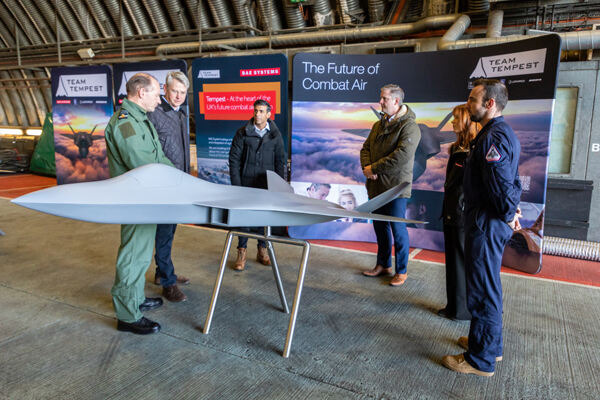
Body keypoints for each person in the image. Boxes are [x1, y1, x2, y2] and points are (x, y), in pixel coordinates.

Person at [442, 79, 522, 377]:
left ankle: (480, 360)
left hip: (486, 223)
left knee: (483, 291)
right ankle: (488, 344)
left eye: (474, 99)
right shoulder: (499, 133)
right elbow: (513, 180)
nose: (469, 103)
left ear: (490, 104)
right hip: (491, 220)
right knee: (488, 287)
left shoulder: (492, 138)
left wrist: (506, 212)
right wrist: (511, 210)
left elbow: (501, 187)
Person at [104, 73, 174, 335]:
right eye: (156, 94)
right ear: (141, 93)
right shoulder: (126, 124)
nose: (160, 99)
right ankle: (127, 315)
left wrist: (178, 177)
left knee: (143, 253)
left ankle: (135, 299)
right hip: (135, 200)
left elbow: (158, 157)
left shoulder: (140, 119)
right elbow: (143, 164)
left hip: (147, 199)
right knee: (133, 256)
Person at [360, 84, 420, 286]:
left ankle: (401, 270)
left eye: (384, 98)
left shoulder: (410, 127)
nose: (380, 102)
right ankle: (383, 264)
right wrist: (368, 167)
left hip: (396, 188)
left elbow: (401, 157)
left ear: (396, 101)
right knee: (380, 226)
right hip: (376, 185)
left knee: (397, 227)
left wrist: (374, 169)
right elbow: (365, 148)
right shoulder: (379, 125)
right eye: (381, 98)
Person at [147, 71, 191, 303]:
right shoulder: (155, 113)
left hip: (179, 182)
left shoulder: (181, 113)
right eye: (175, 91)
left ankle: (160, 273)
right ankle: (167, 282)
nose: (178, 96)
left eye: (183, 93)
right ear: (165, 89)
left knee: (170, 231)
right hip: (163, 183)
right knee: (163, 233)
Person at [229, 99, 286, 271]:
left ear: (269, 114)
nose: (257, 114)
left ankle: (262, 250)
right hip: (245, 183)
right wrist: (237, 186)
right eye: (256, 111)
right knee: (244, 218)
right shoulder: (242, 133)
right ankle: (242, 251)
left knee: (263, 217)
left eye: (261, 111)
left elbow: (280, 162)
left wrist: (278, 187)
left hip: (266, 185)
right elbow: (234, 160)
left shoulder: (275, 136)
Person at [437, 104, 478, 322]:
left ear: (466, 121)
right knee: (452, 262)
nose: (452, 122)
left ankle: (463, 309)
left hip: (462, 215)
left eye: (455, 119)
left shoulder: (473, 150)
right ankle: (453, 305)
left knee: (461, 262)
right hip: (451, 212)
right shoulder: (456, 148)